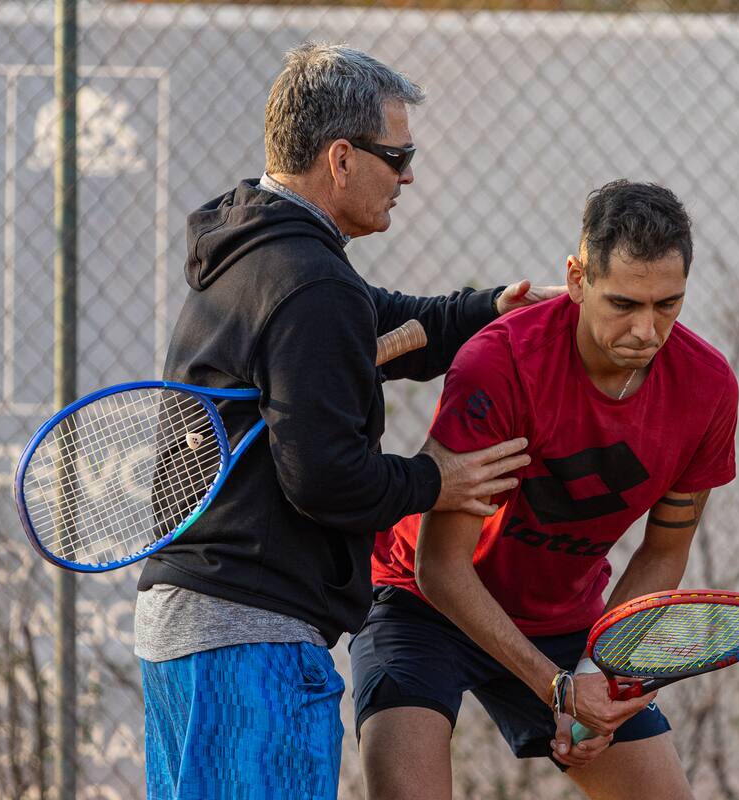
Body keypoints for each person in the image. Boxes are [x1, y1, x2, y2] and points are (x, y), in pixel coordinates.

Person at [133, 43, 561, 800]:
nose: (407, 176)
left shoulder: (256, 249)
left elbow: (375, 320)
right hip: (251, 640)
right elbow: (326, 477)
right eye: (397, 156)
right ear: (340, 158)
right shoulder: (309, 283)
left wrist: (483, 311)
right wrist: (438, 482)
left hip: (188, 632)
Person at [352, 180, 739, 800]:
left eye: (668, 304)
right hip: (424, 603)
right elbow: (440, 568)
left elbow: (663, 552)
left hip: (565, 623)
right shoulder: (498, 364)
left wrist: (596, 675)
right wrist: (556, 688)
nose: (646, 330)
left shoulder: (708, 386)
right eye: (623, 304)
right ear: (578, 278)